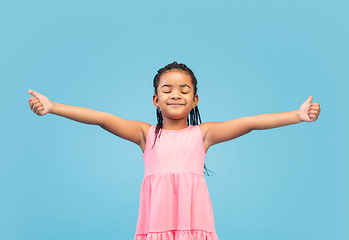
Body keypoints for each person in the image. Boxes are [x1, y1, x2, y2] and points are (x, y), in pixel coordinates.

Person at [28, 61, 321, 240]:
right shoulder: (146, 135)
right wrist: (53, 107)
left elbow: (250, 123)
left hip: (195, 223)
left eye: (184, 89)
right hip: (156, 223)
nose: (176, 94)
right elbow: (101, 118)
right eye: (167, 89)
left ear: (195, 100)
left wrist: (297, 115)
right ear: (156, 99)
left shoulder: (203, 135)